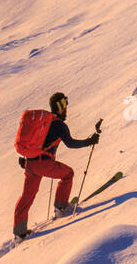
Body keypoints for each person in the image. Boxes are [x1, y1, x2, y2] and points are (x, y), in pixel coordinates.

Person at [13, 92, 99, 239]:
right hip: (43, 163)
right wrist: (88, 142)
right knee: (68, 174)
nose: (66, 110)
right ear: (60, 107)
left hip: (30, 163)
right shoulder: (59, 125)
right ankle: (61, 207)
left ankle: (19, 233)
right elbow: (70, 143)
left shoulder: (44, 123)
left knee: (27, 196)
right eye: (64, 106)